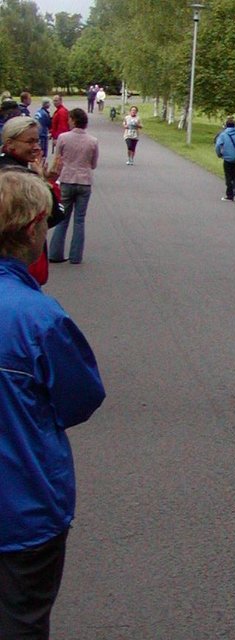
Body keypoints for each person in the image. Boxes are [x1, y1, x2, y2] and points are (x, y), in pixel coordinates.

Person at [0, 169, 105, 639]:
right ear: (32, 229)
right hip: (23, 508)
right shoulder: (40, 318)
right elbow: (80, 399)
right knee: (21, 619)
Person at [0, 116, 65, 285]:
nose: (36, 147)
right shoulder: (20, 177)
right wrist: (47, 182)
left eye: (37, 140)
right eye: (30, 142)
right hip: (20, 263)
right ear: (10, 143)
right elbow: (55, 214)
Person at [49, 108, 98, 265]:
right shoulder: (93, 141)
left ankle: (55, 253)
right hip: (84, 181)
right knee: (79, 220)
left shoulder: (63, 138)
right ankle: (76, 256)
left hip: (67, 179)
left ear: (74, 120)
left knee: (63, 218)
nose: (68, 122)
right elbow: (94, 164)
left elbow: (58, 160)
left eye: (69, 119)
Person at [215, 116, 235, 202]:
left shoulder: (223, 135)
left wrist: (219, 154)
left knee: (228, 176)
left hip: (227, 158)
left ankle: (229, 195)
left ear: (226, 125)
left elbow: (218, 145)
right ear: (234, 125)